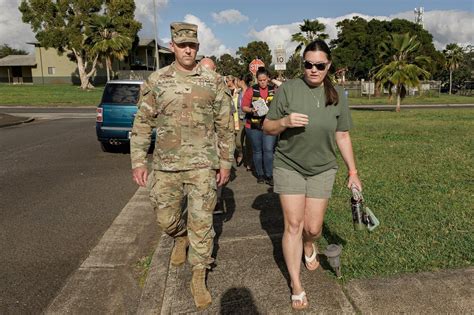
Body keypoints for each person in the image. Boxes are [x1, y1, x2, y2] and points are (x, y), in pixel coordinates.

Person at [130, 22, 235, 311]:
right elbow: (141, 124)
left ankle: (199, 275)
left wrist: (225, 162)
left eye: (193, 45)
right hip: (166, 166)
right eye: (182, 44)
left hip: (202, 165)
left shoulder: (212, 81)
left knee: (202, 222)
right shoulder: (157, 81)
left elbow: (226, 127)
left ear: (198, 48)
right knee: (165, 219)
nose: (188, 49)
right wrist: (139, 160)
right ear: (173, 47)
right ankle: (180, 237)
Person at [263, 39, 362, 310]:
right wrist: (284, 121)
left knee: (313, 228)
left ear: (328, 65)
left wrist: (353, 172)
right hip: (289, 165)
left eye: (320, 65)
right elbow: (267, 126)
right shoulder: (289, 90)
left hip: (323, 168)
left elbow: (342, 134)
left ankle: (309, 246)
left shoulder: (337, 95)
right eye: (308, 64)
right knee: (293, 225)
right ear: (302, 64)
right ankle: (296, 284)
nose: (314, 70)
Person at [241, 67, 277, 186]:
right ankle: (260, 174)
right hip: (253, 126)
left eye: (264, 80)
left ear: (268, 79)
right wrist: (252, 110)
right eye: (260, 80)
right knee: (257, 151)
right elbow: (244, 107)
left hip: (269, 125)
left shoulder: (274, 90)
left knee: (268, 150)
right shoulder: (251, 90)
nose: (262, 82)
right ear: (257, 80)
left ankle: (269, 175)